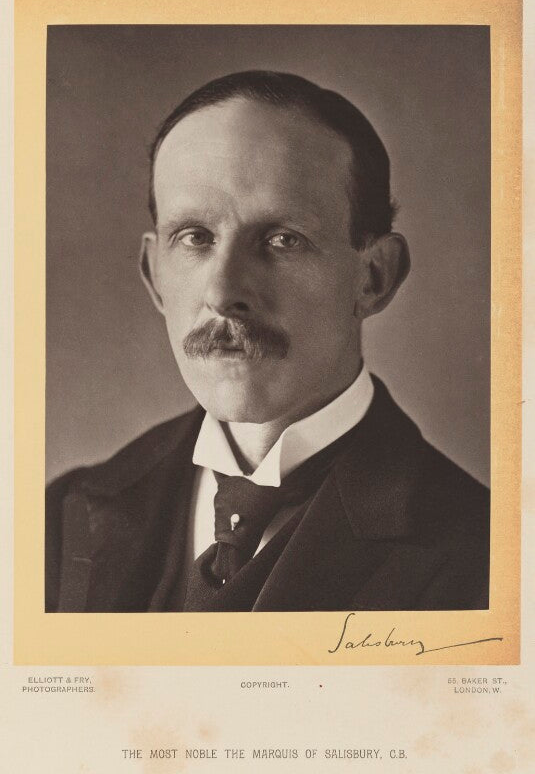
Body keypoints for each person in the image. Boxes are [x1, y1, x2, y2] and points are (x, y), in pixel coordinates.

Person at [45, 70, 489, 613]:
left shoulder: (487, 556)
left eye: (282, 239)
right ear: (155, 275)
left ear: (374, 277)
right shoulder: (60, 522)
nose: (224, 292)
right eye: (195, 237)